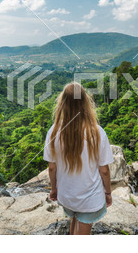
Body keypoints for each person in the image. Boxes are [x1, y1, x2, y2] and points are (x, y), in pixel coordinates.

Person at [43, 82, 114, 235]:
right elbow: (104, 170)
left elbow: (52, 167)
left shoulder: (54, 131)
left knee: (74, 220)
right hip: (89, 198)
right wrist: (108, 193)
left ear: (63, 104)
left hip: (67, 195)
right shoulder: (96, 132)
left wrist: (54, 189)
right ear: (85, 103)